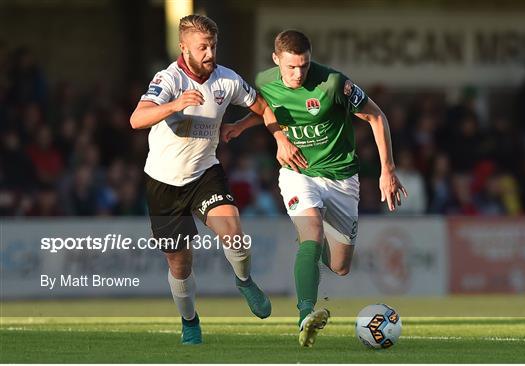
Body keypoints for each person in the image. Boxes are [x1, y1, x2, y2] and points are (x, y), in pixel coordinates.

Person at [222, 30, 407, 347]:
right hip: (298, 174)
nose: (298, 74)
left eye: (304, 66)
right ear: (276, 60)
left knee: (339, 266)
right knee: (312, 232)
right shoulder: (266, 81)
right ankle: (305, 314)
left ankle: (314, 242)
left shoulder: (333, 83)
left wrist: (387, 169)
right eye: (291, 67)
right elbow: (268, 111)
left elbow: (376, 116)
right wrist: (245, 125)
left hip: (341, 178)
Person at [130, 15, 274, 345]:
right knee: (180, 264)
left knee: (234, 231)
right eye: (202, 47)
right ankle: (190, 321)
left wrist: (244, 127)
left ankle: (244, 279)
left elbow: (265, 109)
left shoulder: (228, 80)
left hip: (204, 173)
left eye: (213, 46)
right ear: (184, 48)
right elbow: (137, 118)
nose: (210, 53)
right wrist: (174, 104)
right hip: (163, 182)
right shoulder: (168, 79)